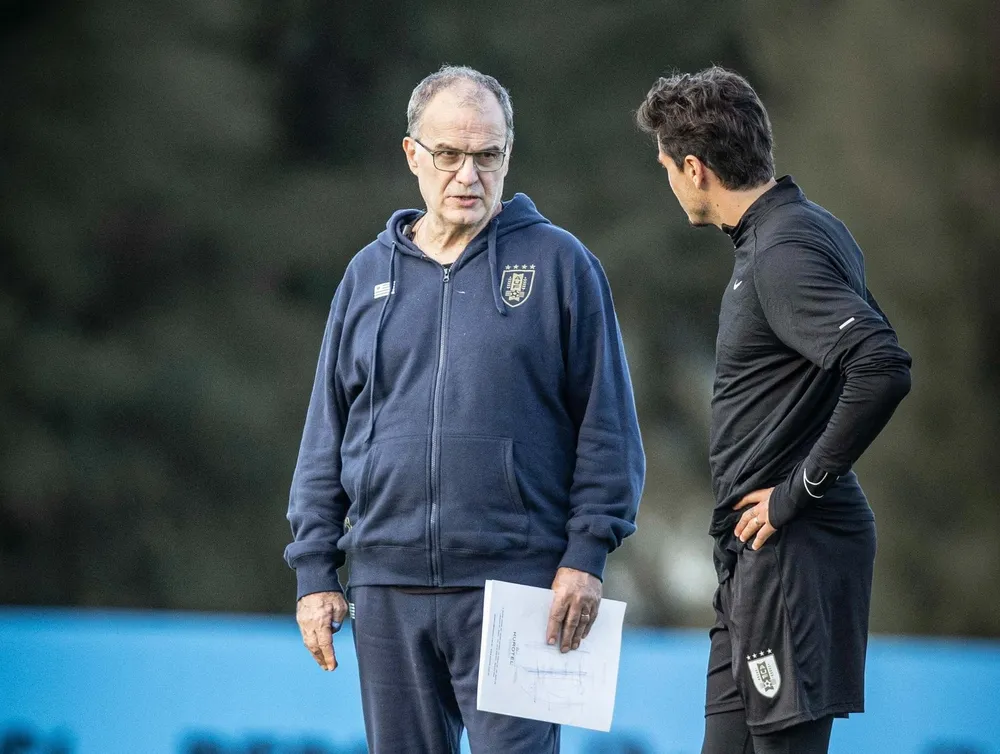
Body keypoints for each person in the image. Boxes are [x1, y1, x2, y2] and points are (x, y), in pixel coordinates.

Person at [284, 65, 645, 754]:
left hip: (521, 586)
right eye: (449, 154)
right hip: (386, 583)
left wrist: (586, 555)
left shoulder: (562, 265)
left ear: (508, 155)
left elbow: (608, 428)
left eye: (488, 156)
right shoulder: (366, 275)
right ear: (413, 154)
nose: (468, 175)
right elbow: (324, 434)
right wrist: (313, 572)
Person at [636, 67, 912, 754]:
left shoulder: (781, 252)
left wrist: (800, 490)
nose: (667, 180)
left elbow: (880, 365)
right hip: (757, 556)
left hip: (791, 549)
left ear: (695, 168)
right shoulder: (796, 231)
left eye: (667, 166)